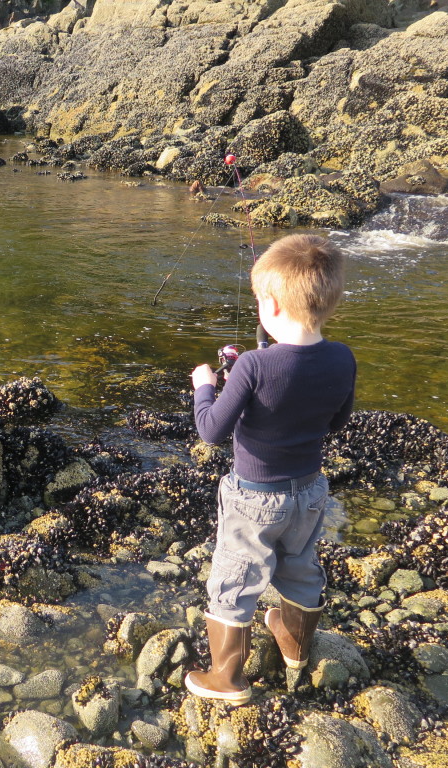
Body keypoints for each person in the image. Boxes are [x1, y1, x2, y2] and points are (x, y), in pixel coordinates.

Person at [184, 234, 356, 705]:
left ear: (273, 305)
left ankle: (227, 678)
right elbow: (337, 420)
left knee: (236, 577)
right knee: (301, 567)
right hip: (310, 491)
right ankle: (295, 646)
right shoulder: (343, 357)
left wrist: (205, 385)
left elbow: (211, 431)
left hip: (253, 497)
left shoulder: (252, 367)